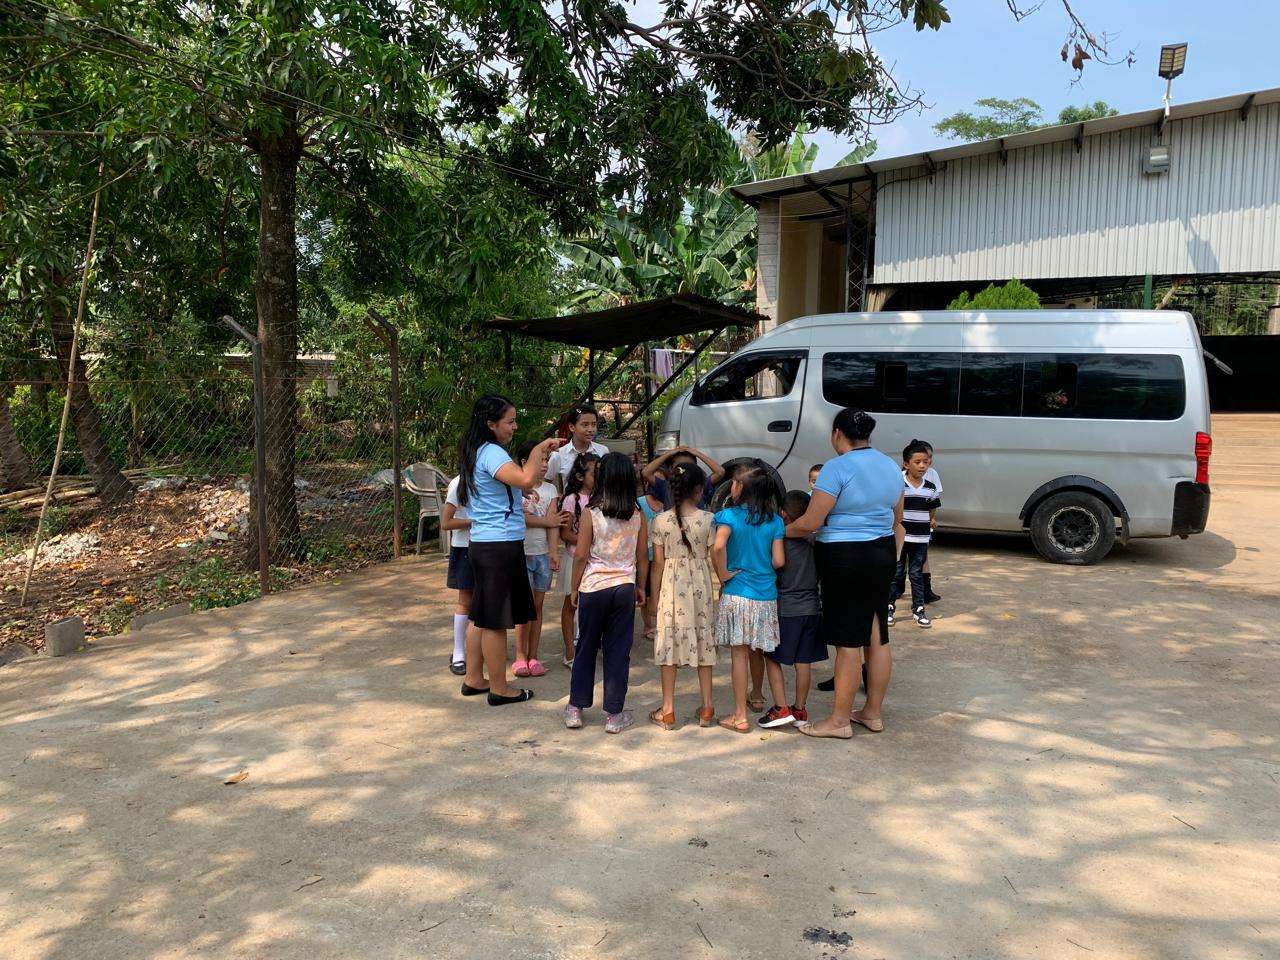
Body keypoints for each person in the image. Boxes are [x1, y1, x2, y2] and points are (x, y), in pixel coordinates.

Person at [784, 409, 904, 739]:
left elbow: (811, 522)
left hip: (844, 558)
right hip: (882, 553)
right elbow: (898, 518)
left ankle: (839, 721)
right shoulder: (891, 466)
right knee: (877, 634)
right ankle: (872, 712)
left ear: (838, 433)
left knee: (848, 642)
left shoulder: (836, 468)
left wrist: (782, 531)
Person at [455, 394, 565, 706]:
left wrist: (521, 488)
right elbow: (528, 476)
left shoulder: (479, 450)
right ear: (490, 424)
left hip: (487, 543)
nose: (514, 427)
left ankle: (475, 678)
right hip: (499, 545)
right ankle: (501, 689)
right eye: (510, 421)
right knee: (495, 620)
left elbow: (516, 483)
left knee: (483, 614)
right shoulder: (491, 451)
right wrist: (540, 448)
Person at [565, 453, 649, 734]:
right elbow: (642, 557)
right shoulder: (638, 515)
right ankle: (614, 715)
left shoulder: (591, 513)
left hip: (593, 587)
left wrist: (574, 587)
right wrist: (641, 587)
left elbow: (580, 555)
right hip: (624, 587)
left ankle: (575, 708)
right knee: (618, 651)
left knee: (585, 647)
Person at [712, 464, 785, 734]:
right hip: (765, 595)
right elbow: (779, 560)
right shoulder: (775, 521)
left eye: (734, 482)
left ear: (741, 489)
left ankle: (739, 716)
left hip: (737, 592)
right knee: (760, 650)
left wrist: (723, 574)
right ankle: (757, 695)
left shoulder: (727, 515)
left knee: (739, 655)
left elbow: (718, 546)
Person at [647, 462, 718, 731]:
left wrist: (654, 599)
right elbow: (715, 557)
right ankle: (707, 708)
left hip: (670, 591)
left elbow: (657, 564)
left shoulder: (660, 520)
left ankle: (667, 710)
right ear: (699, 489)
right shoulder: (708, 519)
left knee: (668, 646)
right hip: (700, 589)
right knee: (704, 644)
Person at [760, 489, 827, 728]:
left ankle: (781, 707)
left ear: (783, 514)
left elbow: (773, 570)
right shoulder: (815, 541)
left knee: (771, 657)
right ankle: (800, 710)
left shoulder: (780, 543)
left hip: (786, 608)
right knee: (803, 662)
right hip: (812, 608)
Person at [513, 440, 565, 677]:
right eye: (540, 460)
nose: (544, 465)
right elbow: (521, 519)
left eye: (546, 460)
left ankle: (534, 655)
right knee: (522, 607)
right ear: (525, 462)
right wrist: (547, 521)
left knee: (537, 606)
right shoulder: (515, 488)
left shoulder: (550, 490)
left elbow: (554, 525)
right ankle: (520, 656)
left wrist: (554, 552)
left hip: (542, 554)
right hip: (520, 552)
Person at [551, 452, 599, 668]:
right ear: (580, 476)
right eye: (593, 471)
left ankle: (587, 647)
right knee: (570, 604)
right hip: (574, 558)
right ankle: (570, 652)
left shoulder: (601, 498)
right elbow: (565, 533)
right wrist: (586, 541)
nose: (597, 475)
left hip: (596, 560)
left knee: (592, 605)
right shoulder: (572, 500)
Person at [888, 439, 941, 629]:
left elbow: (932, 510)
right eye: (917, 462)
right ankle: (889, 606)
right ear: (906, 464)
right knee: (896, 572)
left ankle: (918, 609)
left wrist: (927, 524)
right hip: (901, 537)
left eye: (925, 462)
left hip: (921, 538)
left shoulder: (930, 488)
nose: (922, 466)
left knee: (916, 573)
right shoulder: (897, 484)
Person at [442, 475, 473, 676]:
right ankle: (459, 652)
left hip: (491, 546)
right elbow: (446, 522)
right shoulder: (459, 483)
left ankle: (479, 648)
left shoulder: (495, 478)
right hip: (464, 548)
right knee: (466, 599)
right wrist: (474, 521)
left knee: (488, 600)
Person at [546, 403, 609, 492]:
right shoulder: (558, 455)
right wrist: (558, 498)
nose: (590, 429)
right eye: (585, 425)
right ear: (572, 427)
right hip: (569, 504)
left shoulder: (602, 451)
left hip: (598, 503)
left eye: (594, 424)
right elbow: (544, 483)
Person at [642, 445, 724, 509]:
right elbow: (646, 472)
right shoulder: (666, 486)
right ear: (671, 469)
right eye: (680, 467)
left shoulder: (701, 484)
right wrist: (669, 453)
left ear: (695, 467)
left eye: (689, 466)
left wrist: (696, 453)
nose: (685, 470)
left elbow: (720, 472)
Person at [636, 481, 664, 639]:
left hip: (663, 557)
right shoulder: (639, 503)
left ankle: (661, 625)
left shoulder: (668, 504)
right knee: (645, 592)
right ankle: (648, 626)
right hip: (644, 557)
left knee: (661, 591)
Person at [919, 441, 944, 604]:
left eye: (929, 458)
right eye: (922, 459)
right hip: (905, 524)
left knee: (922, 557)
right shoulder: (902, 475)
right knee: (900, 557)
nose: (925, 463)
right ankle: (896, 589)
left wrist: (931, 518)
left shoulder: (932, 474)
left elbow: (934, 500)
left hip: (923, 524)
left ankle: (925, 591)